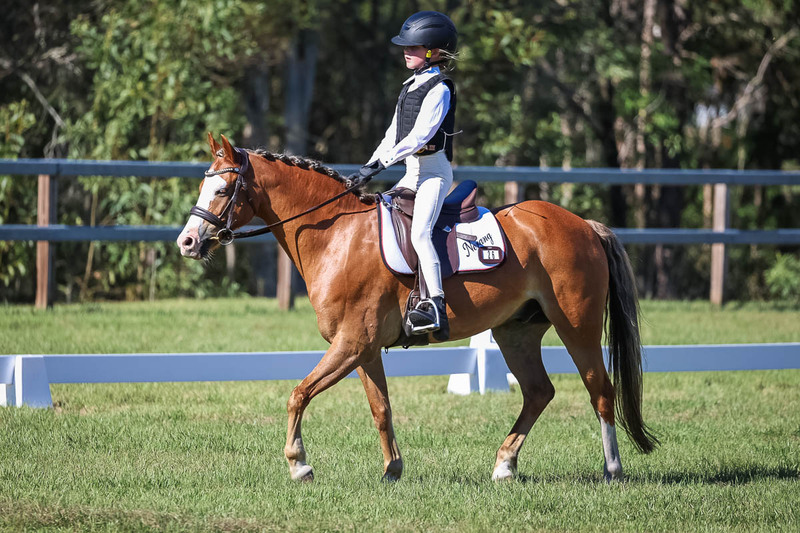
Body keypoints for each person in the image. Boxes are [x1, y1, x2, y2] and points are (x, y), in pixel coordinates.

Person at [348, 10, 458, 340]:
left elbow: (420, 138)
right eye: (405, 46)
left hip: (434, 175)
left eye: (414, 46)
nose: (406, 51)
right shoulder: (410, 87)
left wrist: (383, 164)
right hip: (411, 173)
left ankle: (435, 304)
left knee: (421, 233)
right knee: (380, 220)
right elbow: (393, 135)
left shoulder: (440, 89)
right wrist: (367, 167)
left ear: (434, 51)